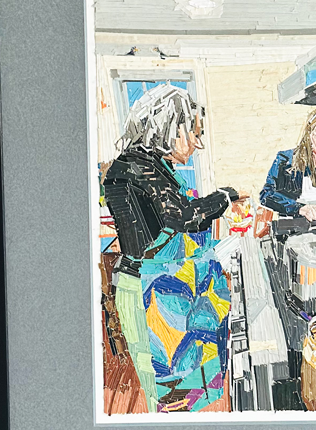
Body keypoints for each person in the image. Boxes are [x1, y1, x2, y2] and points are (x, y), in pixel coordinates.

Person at [102, 84, 244, 413]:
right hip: (147, 292)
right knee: (169, 396)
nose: (196, 143)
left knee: (171, 389)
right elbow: (183, 215)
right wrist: (225, 196)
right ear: (169, 127)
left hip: (148, 286)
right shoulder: (139, 169)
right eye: (192, 133)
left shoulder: (140, 166)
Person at [260, 105, 316, 224]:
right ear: (309, 133)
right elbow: (266, 196)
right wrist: (299, 208)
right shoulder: (287, 159)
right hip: (298, 229)